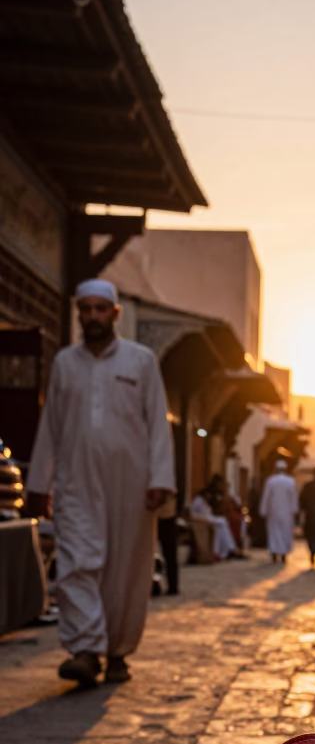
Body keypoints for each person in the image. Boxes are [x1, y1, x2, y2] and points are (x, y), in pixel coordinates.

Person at [26, 278, 174, 687]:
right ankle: (86, 651)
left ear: (115, 314)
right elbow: (51, 427)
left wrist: (160, 478)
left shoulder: (141, 361)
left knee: (125, 569)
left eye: (99, 309)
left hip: (131, 485)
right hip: (75, 482)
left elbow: (157, 425)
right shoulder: (64, 364)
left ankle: (118, 650)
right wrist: (39, 484)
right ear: (78, 314)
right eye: (85, 309)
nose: (92, 316)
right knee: (76, 564)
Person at [260, 460, 298, 562]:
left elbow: (266, 497)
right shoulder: (291, 481)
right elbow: (294, 498)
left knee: (273, 532)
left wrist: (263, 510)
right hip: (287, 512)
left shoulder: (271, 481)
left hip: (273, 511)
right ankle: (283, 554)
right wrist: (294, 510)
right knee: (285, 532)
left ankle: (274, 553)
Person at [190, 487, 238, 560]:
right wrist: (202, 519)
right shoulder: (198, 500)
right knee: (222, 521)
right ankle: (231, 547)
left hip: (208, 518)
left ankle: (221, 552)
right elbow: (193, 514)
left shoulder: (205, 501)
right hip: (203, 519)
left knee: (220, 528)